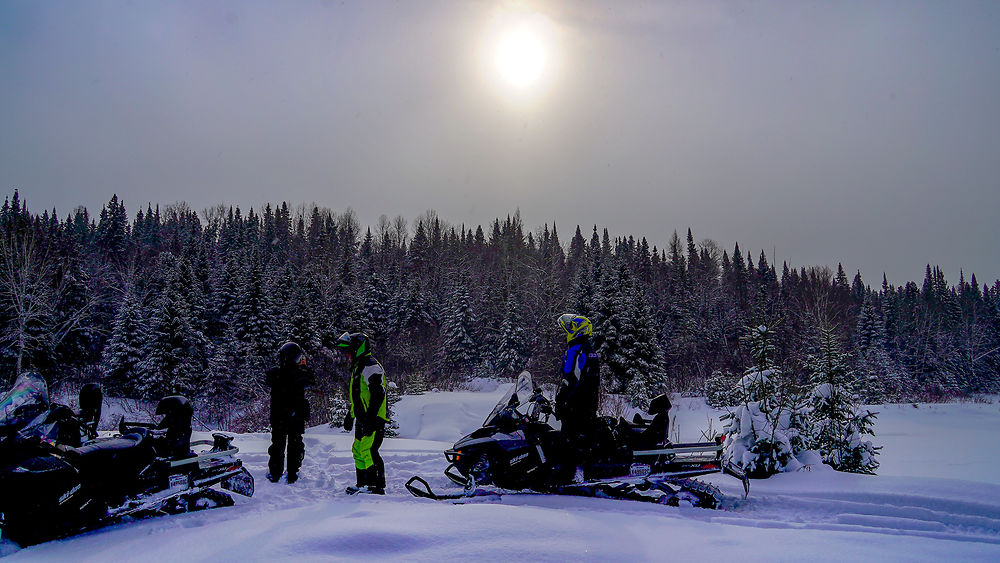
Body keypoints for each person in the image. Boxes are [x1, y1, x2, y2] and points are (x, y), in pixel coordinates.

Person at [336, 332, 389, 495]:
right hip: (363, 418)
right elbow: (359, 397)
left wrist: (371, 418)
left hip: (373, 419)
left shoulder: (370, 365)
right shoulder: (359, 367)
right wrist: (350, 415)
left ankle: (375, 486)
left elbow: (378, 394)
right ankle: (363, 484)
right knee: (358, 450)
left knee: (369, 450)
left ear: (358, 349)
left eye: (349, 351)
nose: (347, 355)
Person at [554, 313, 601, 481]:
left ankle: (566, 478)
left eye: (570, 328)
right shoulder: (589, 350)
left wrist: (562, 402)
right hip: (587, 404)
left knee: (568, 441)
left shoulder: (577, 350)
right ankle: (588, 475)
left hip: (576, 405)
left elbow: (570, 379)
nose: (567, 331)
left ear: (578, 330)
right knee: (584, 440)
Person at [265, 341, 315, 484]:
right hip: (295, 416)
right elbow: (311, 379)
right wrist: (303, 366)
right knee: (294, 445)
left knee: (278, 445)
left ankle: (275, 473)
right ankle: (292, 474)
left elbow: (269, 379)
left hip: (279, 416)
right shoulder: (300, 373)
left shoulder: (276, 373)